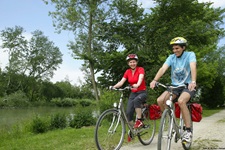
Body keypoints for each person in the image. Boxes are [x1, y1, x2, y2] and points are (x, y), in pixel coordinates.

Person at [150, 37, 197, 143]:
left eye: (177, 48)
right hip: (174, 86)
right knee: (160, 100)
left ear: (183, 48)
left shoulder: (190, 55)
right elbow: (163, 68)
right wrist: (154, 80)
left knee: (181, 101)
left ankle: (188, 131)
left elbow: (193, 66)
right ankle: (172, 122)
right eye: (173, 49)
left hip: (187, 86)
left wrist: (193, 82)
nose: (175, 51)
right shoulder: (171, 57)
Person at [112, 54, 147, 130]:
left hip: (142, 92)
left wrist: (137, 84)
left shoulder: (140, 69)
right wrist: (113, 86)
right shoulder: (127, 71)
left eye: (134, 62)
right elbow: (121, 82)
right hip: (133, 93)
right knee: (128, 113)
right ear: (128, 63)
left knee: (137, 100)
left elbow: (141, 78)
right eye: (130, 62)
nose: (132, 64)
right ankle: (132, 130)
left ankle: (139, 120)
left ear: (136, 62)